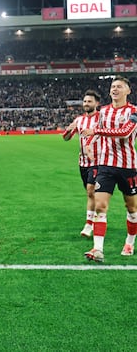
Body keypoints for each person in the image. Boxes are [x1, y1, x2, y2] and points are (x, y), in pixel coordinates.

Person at [82, 76, 137, 262]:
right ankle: (97, 249)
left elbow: (125, 133)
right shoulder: (103, 111)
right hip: (105, 165)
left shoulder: (134, 111)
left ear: (128, 91)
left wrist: (96, 132)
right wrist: (89, 143)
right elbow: (96, 131)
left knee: (132, 208)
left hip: (128, 167)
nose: (115, 89)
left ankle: (130, 241)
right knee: (101, 206)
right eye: (113, 86)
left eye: (119, 87)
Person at [62, 89, 101, 237]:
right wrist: (68, 131)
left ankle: (89, 225)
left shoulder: (102, 118)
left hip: (97, 161)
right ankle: (100, 215)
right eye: (85, 101)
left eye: (89, 101)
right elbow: (66, 138)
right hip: (82, 162)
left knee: (91, 190)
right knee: (90, 193)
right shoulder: (79, 120)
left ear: (96, 103)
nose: (86, 104)